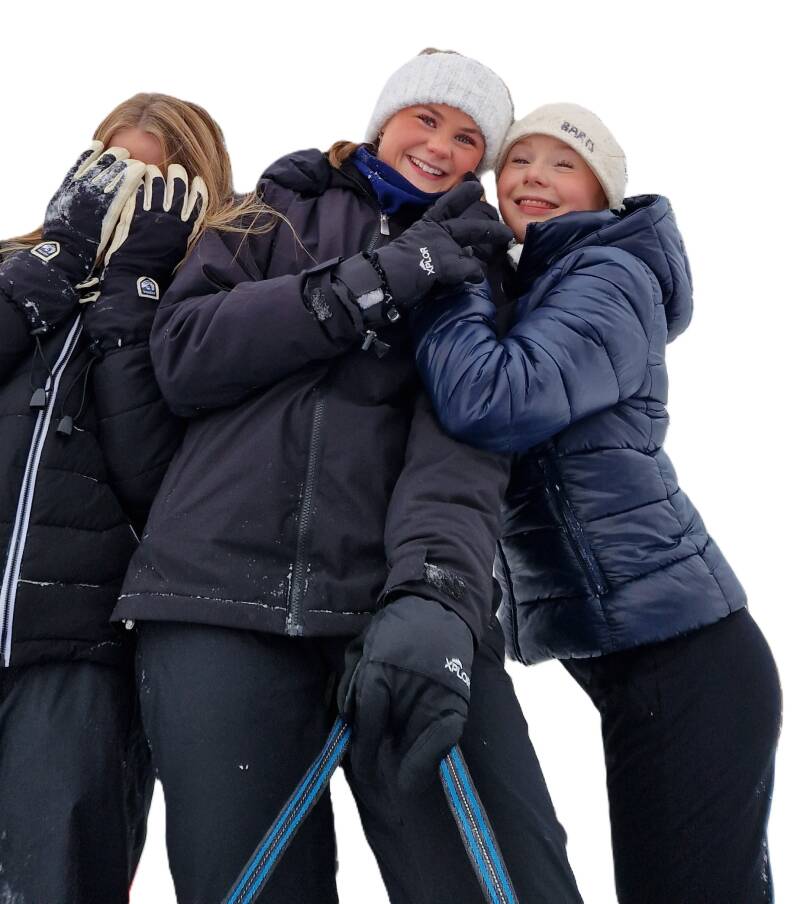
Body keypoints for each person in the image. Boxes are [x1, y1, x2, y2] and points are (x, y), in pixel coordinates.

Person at [113, 52, 584, 904]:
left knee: (508, 879)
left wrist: (437, 593)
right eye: (426, 120)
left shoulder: (478, 269)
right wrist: (368, 285)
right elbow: (184, 356)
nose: (440, 146)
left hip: (396, 607)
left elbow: (464, 444)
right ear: (384, 121)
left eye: (467, 137)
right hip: (214, 597)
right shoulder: (269, 212)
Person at [412, 102, 782, 903]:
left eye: (563, 164)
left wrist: (445, 280)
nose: (534, 177)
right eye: (519, 161)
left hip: (688, 657)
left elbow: (493, 401)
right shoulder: (540, 286)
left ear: (601, 192)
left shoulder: (608, 276)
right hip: (647, 661)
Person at [0, 91, 249, 903]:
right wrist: (55, 260)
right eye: (113, 167)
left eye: (154, 178)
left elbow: (155, 478)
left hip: (81, 661)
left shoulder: (198, 310)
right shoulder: (18, 268)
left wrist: (132, 296)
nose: (127, 190)